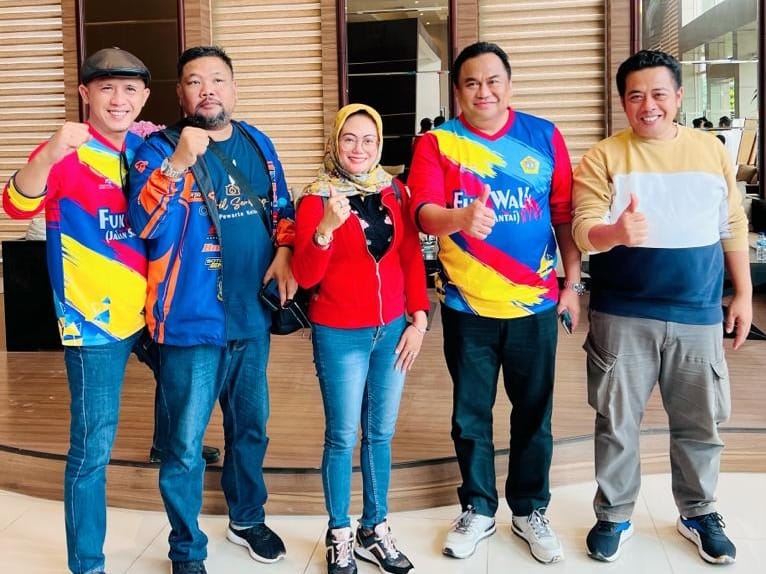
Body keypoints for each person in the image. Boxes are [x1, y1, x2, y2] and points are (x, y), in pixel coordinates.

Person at [572, 49, 751, 565]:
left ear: (677, 96)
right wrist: (614, 232)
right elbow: (583, 229)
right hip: (623, 314)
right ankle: (614, 514)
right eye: (635, 96)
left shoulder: (711, 150)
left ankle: (698, 512)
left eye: (657, 94)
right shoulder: (604, 156)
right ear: (622, 102)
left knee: (701, 422)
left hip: (698, 312)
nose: (647, 105)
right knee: (616, 421)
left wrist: (742, 293)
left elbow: (731, 223)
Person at [407, 41, 582, 564]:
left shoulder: (544, 136)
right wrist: (458, 219)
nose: (483, 91)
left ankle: (529, 510)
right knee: (470, 415)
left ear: (509, 85)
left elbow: (564, 217)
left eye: (492, 81)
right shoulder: (438, 143)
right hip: (468, 308)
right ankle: (478, 508)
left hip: (535, 307)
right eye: (471, 83)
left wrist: (572, 285)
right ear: (457, 91)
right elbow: (423, 212)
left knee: (534, 413)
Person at [127, 45, 295, 574]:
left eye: (217, 80)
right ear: (180, 94)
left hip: (251, 317)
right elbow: (142, 224)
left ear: (233, 89)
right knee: (183, 445)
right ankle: (186, 548)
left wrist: (285, 252)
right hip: (188, 320)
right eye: (195, 82)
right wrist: (177, 165)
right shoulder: (157, 150)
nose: (207, 90)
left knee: (251, 429)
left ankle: (246, 519)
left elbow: (283, 209)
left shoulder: (258, 143)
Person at [1, 48, 152, 574]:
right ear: (86, 94)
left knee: (188, 412)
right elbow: (15, 205)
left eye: (130, 89)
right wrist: (47, 154)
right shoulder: (65, 150)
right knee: (92, 449)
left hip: (155, 312)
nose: (119, 99)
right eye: (107, 87)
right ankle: (87, 565)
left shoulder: (147, 148)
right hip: (93, 322)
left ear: (144, 97)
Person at [292, 103, 429, 574]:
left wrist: (419, 318)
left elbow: (409, 256)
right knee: (342, 435)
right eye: (349, 138)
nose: (358, 148)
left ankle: (375, 527)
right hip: (339, 334)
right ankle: (339, 533)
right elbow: (305, 277)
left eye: (368, 140)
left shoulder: (395, 190)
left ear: (380, 144)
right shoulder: (316, 197)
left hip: (391, 331)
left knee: (380, 434)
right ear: (335, 141)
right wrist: (325, 231)